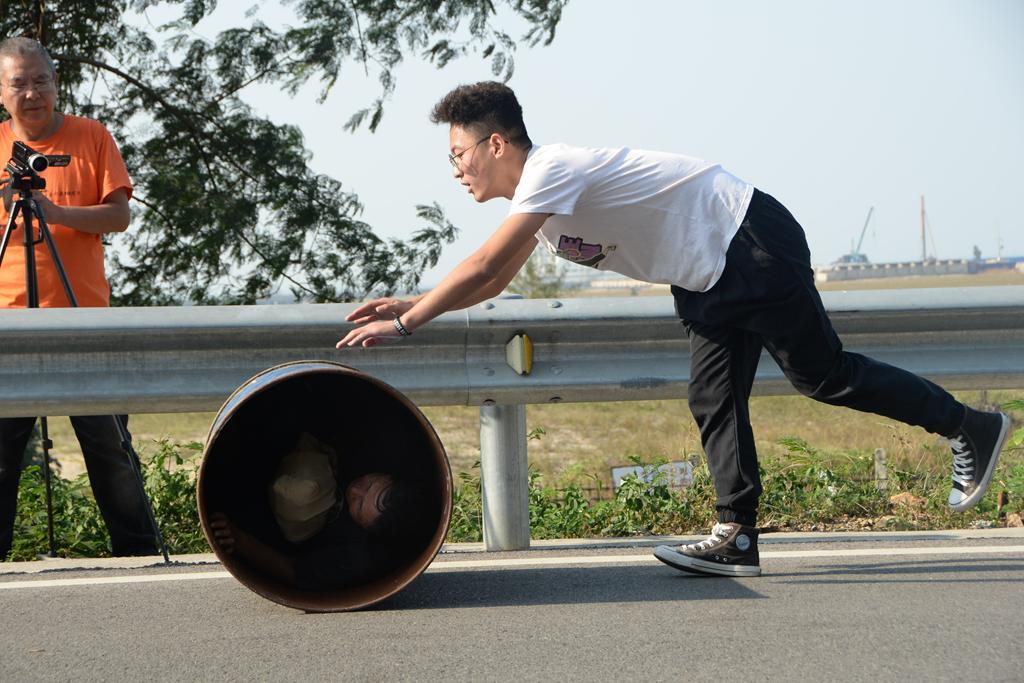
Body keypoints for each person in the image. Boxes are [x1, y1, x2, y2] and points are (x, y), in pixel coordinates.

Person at [337, 80, 1013, 577]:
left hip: (747, 238)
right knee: (712, 396)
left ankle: (970, 426)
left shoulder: (552, 170)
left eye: (459, 153)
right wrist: (412, 300)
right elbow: (492, 279)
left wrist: (407, 321)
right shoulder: (542, 210)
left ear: (494, 142)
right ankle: (737, 534)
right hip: (707, 273)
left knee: (823, 375)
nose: (455, 168)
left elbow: (485, 265)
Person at [0, 38, 157, 559]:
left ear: (56, 82)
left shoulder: (91, 136)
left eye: (40, 80)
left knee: (108, 444)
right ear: (2, 92)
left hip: (83, 321)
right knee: (1, 451)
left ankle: (137, 552)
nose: (31, 93)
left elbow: (119, 216)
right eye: (18, 83)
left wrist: (56, 213)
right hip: (9, 326)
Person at [210, 432, 432, 590]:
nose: (355, 490)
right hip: (282, 447)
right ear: (387, 475)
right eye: (369, 483)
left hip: (268, 530)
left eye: (359, 505)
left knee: (302, 494)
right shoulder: (381, 449)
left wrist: (240, 541)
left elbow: (294, 572)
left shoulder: (360, 556)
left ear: (367, 528)